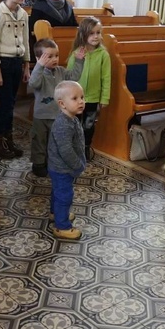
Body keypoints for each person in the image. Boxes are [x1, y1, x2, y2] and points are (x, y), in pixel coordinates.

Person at [0, 0, 30, 159]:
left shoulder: (23, 14)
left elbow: (26, 41)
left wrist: (27, 66)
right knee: (6, 105)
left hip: (17, 62)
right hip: (3, 63)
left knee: (10, 104)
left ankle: (7, 139)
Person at [29, 38, 85, 177]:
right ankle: (38, 164)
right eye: (49, 56)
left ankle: (50, 162)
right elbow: (33, 83)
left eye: (56, 55)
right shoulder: (39, 74)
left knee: (53, 141)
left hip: (58, 116)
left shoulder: (61, 71)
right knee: (39, 140)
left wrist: (79, 61)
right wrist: (39, 66)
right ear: (39, 58)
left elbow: (74, 77)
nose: (55, 59)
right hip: (41, 116)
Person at [48, 80, 87, 240]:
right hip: (63, 168)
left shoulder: (71, 119)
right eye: (75, 98)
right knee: (64, 195)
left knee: (58, 191)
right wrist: (77, 165)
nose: (81, 101)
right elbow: (66, 150)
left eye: (82, 97)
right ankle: (62, 226)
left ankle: (55, 213)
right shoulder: (63, 125)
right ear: (62, 104)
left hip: (62, 168)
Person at [67, 17, 110, 162]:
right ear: (83, 35)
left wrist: (104, 98)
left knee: (89, 125)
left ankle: (85, 146)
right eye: (91, 33)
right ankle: (74, 147)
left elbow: (106, 77)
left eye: (98, 33)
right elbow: (69, 74)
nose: (96, 36)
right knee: (75, 124)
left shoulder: (103, 54)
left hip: (92, 97)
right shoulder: (77, 53)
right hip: (75, 98)